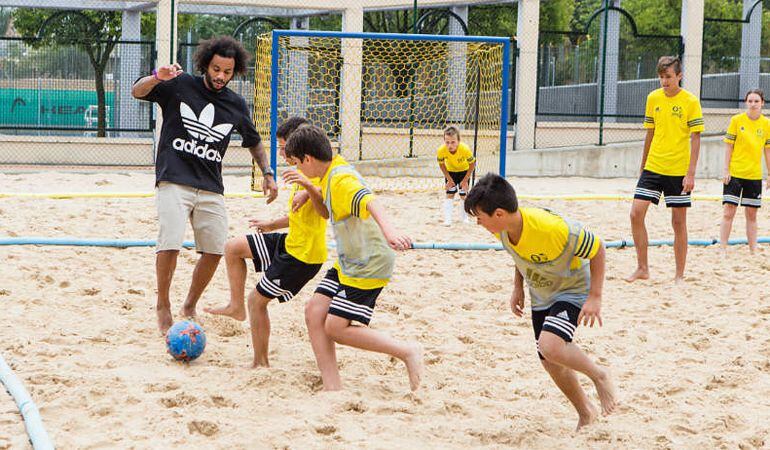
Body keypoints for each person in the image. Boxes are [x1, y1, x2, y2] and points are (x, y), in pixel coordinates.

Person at [132, 36, 278, 334]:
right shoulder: (180, 84)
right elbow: (137, 91)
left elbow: (253, 141)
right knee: (170, 241)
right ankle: (163, 304)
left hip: (211, 186)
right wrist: (157, 77)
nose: (220, 76)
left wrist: (268, 173)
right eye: (216, 69)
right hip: (174, 178)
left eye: (227, 71)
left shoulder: (236, 104)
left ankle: (189, 304)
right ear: (205, 64)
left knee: (214, 249)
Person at [464, 174, 616, 431]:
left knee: (551, 346)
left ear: (499, 213)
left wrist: (596, 297)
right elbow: (519, 254)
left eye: (480, 216)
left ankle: (600, 375)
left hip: (572, 288)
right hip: (541, 292)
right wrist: (517, 287)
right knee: (549, 360)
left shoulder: (553, 229)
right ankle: (586, 411)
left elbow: (598, 248)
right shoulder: (503, 229)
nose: (477, 221)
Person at [284, 125, 423, 392]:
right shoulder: (328, 173)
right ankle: (332, 387)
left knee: (335, 327)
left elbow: (370, 201)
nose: (299, 170)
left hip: (369, 263)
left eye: (297, 164)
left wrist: (390, 232)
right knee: (314, 312)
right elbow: (326, 213)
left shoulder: (340, 179)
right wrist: (309, 190)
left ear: (308, 159)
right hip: (350, 260)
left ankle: (407, 351)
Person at [203, 117, 328, 367]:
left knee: (257, 302)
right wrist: (272, 224)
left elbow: (325, 209)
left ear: (300, 148)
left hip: (302, 257)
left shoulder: (316, 175)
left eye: (283, 147)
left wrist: (310, 190)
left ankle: (261, 363)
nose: (281, 153)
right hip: (291, 241)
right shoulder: (301, 172)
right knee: (233, 247)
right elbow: (299, 217)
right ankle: (235, 307)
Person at [627, 56, 704, 283]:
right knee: (635, 213)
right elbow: (649, 133)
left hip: (678, 170)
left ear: (679, 76)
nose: (664, 81)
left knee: (678, 222)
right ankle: (643, 268)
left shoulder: (690, 101)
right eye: (661, 77)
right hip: (654, 166)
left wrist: (690, 173)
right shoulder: (653, 98)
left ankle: (679, 275)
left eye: (668, 76)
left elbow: (696, 138)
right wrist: (642, 166)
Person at [720, 89, 770, 253]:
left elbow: (767, 150)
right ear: (746, 102)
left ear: (762, 103)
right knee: (729, 211)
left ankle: (753, 249)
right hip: (735, 173)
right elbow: (728, 146)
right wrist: (726, 170)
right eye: (750, 101)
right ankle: (722, 247)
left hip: (754, 175)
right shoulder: (736, 120)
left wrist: (769, 174)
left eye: (756, 101)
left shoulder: (766, 124)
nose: (753, 104)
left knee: (752, 214)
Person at [437, 126, 476, 225]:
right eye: (447, 142)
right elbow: (441, 164)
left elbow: (472, 164)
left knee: (463, 194)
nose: (450, 145)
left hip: (464, 171)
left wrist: (465, 180)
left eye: (453, 142)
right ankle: (448, 219)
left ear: (458, 141)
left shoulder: (465, 149)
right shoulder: (441, 150)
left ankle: (464, 218)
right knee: (450, 193)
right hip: (450, 172)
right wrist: (449, 179)